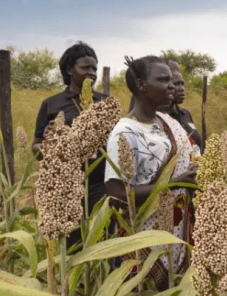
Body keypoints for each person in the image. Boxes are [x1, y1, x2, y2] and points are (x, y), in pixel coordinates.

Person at [105, 55, 198, 291]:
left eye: (172, 80)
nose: (171, 85)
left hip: (176, 229)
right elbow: (116, 193)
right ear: (141, 86)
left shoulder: (168, 121)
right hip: (144, 235)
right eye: (163, 80)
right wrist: (174, 183)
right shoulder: (125, 132)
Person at [32, 41, 106, 249]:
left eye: (94, 68)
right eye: (85, 68)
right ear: (69, 70)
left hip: (101, 184)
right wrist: (50, 146)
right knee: (73, 246)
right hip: (66, 187)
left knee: (104, 244)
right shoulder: (52, 104)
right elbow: (36, 148)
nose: (91, 73)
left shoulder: (104, 103)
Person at [128, 59, 203, 152]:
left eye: (182, 84)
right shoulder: (148, 119)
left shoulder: (185, 114)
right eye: (177, 83)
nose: (181, 89)